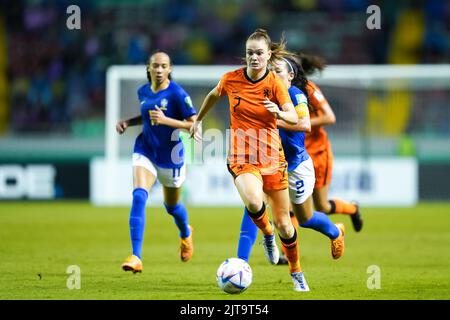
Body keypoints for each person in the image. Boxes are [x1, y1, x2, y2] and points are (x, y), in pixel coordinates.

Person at [190, 29, 309, 292]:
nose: (253, 57)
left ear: (268, 55)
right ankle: (267, 234)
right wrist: (197, 120)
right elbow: (212, 95)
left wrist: (278, 110)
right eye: (249, 53)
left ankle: (296, 272)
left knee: (286, 226)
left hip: (272, 157)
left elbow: (293, 118)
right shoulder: (231, 79)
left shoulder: (276, 84)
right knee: (254, 201)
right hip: (242, 156)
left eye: (258, 53)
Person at [236, 53, 345, 271]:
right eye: (270, 70)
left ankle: (335, 231)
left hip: (296, 166)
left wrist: (275, 119)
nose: (272, 75)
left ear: (290, 76)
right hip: (270, 162)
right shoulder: (263, 94)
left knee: (305, 218)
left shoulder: (296, 95)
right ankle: (241, 264)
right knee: (254, 204)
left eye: (277, 71)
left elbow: (304, 124)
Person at [117, 51, 197, 273]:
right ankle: (136, 256)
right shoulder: (142, 91)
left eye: (164, 66)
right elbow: (146, 117)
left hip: (171, 158)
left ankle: (186, 233)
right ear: (149, 68)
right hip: (146, 150)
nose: (160, 70)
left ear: (170, 68)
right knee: (139, 195)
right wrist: (127, 122)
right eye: (156, 66)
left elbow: (194, 125)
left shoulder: (178, 94)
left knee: (172, 207)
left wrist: (166, 120)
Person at [300, 53, 363, 232]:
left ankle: (352, 209)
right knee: (293, 204)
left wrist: (302, 124)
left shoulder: (309, 89)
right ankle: (287, 254)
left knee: (322, 206)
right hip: (296, 154)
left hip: (317, 153)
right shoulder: (278, 90)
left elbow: (330, 116)